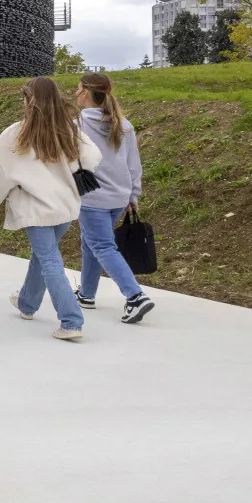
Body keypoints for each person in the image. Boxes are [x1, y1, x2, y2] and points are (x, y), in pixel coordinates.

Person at [0, 77, 101, 341]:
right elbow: (93, 157)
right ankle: (27, 303)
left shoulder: (17, 132)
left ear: (29, 100)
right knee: (44, 256)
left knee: (49, 260)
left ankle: (71, 321)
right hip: (65, 205)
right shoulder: (70, 131)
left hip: (35, 208)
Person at [74, 73, 155, 323]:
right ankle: (86, 294)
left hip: (92, 196)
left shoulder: (77, 124)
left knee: (101, 245)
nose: (75, 94)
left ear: (86, 93)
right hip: (119, 196)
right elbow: (133, 165)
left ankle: (135, 297)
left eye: (77, 89)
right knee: (91, 241)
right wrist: (133, 195)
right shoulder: (124, 125)